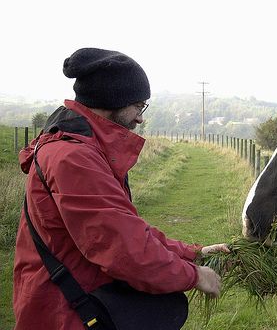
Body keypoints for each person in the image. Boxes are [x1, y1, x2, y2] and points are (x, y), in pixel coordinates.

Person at [13, 47, 228, 330]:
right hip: (64, 313)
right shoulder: (74, 158)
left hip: (78, 301)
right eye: (138, 106)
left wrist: (193, 252)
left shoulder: (83, 149)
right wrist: (195, 275)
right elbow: (123, 248)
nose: (140, 118)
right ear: (111, 100)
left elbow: (126, 228)